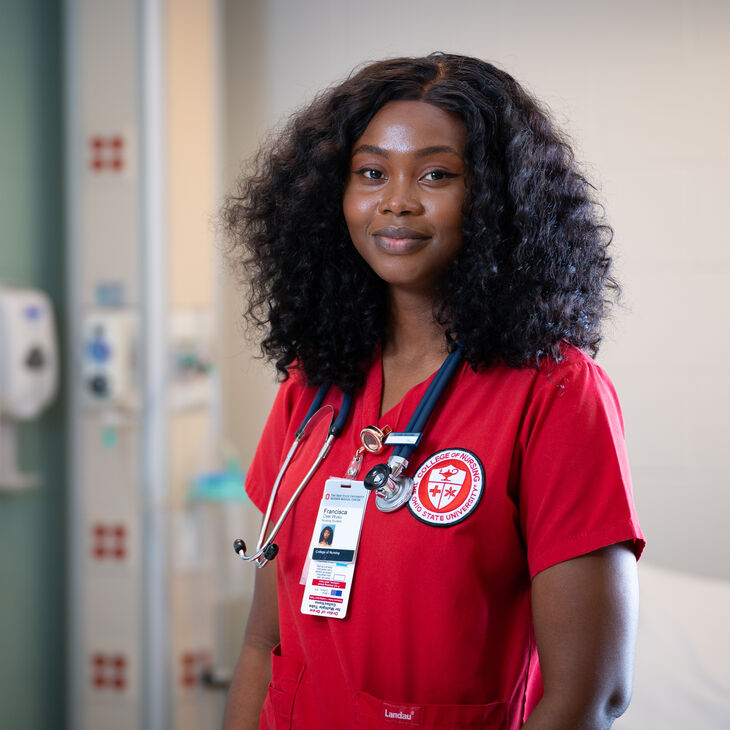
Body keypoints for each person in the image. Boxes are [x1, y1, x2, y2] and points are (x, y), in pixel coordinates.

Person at [222, 53, 644, 730]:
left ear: (495, 197)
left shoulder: (556, 393)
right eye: (370, 173)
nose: (396, 200)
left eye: (436, 174)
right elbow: (259, 646)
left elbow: (590, 696)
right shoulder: (315, 383)